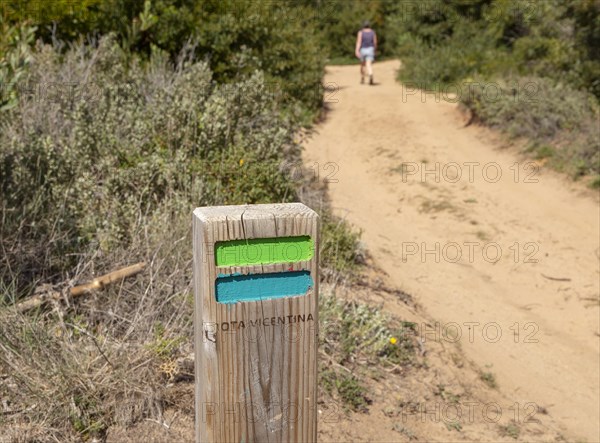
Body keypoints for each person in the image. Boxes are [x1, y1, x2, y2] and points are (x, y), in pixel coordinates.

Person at [355, 20, 377, 85]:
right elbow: (375, 42)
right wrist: (375, 50)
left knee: (362, 65)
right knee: (369, 64)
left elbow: (359, 42)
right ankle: (370, 74)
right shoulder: (373, 32)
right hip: (371, 49)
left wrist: (356, 50)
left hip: (363, 50)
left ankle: (362, 78)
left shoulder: (360, 32)